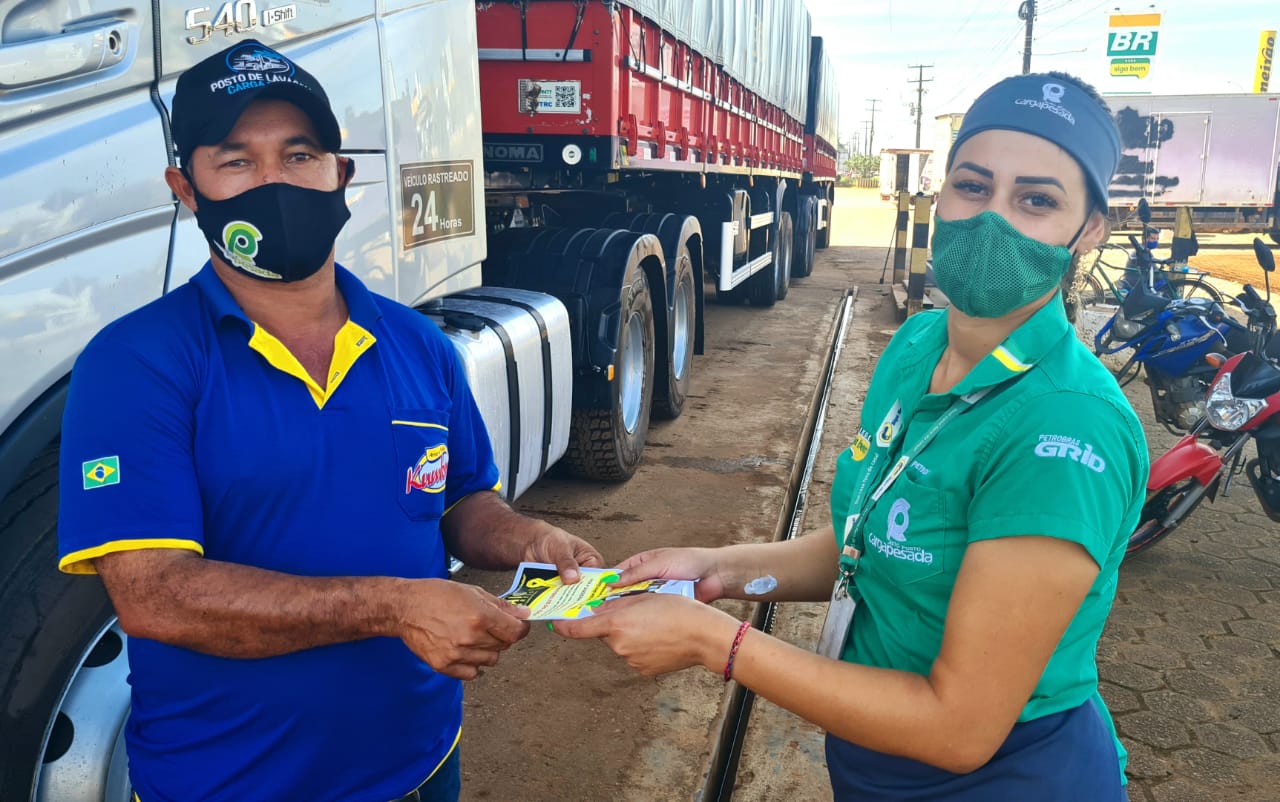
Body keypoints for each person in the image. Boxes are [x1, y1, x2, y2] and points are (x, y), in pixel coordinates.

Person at [555, 72, 1148, 801]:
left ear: (1091, 230)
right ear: (939, 194)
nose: (991, 219)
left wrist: (716, 642)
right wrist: (716, 568)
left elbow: (959, 727)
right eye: (972, 185)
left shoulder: (1064, 427)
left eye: (1037, 200)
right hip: (878, 762)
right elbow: (868, 543)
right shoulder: (918, 346)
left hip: (1006, 777)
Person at [57, 39, 602, 802]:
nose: (274, 182)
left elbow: (461, 502)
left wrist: (528, 540)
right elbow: (155, 595)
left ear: (340, 175)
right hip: (227, 785)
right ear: (187, 188)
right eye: (237, 160)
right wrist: (395, 607)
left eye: (300, 154)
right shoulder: (135, 365)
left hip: (423, 765)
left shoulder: (417, 345)